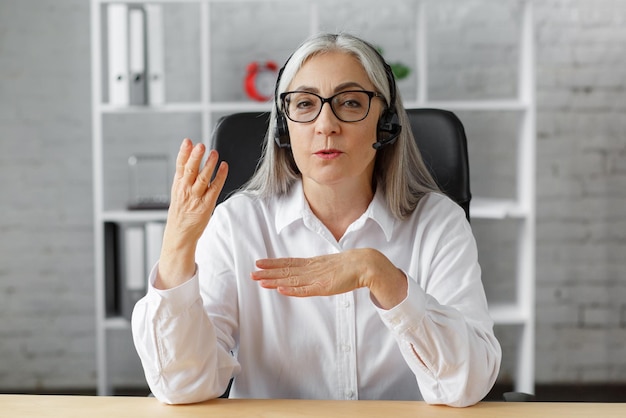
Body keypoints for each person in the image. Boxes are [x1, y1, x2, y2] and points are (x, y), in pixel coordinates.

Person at [131, 32, 501, 407]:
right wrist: (177, 244)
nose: (326, 125)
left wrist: (381, 276)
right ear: (283, 126)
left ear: (385, 123)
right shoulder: (236, 225)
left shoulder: (438, 224)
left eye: (351, 102)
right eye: (305, 104)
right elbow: (182, 385)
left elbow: (467, 384)